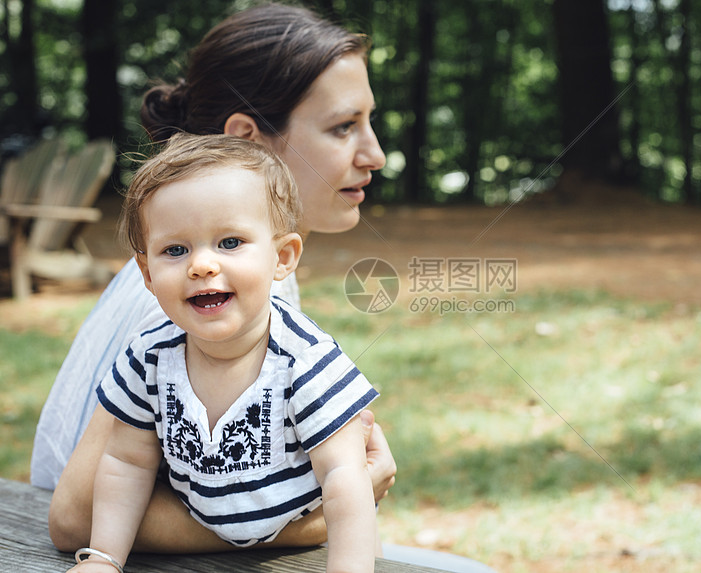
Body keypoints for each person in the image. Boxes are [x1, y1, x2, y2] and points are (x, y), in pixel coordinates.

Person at [37, 4, 495, 572]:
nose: (374, 154)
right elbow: (73, 518)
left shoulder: (234, 289)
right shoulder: (171, 302)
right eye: (342, 126)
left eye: (368, 123)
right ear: (248, 140)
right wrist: (317, 522)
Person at [68, 133, 379, 573]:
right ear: (147, 273)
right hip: (199, 548)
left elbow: (345, 481)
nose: (201, 265)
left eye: (230, 242)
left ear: (283, 257)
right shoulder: (150, 356)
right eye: (175, 250)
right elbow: (126, 462)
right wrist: (104, 558)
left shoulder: (304, 362)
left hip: (305, 550)